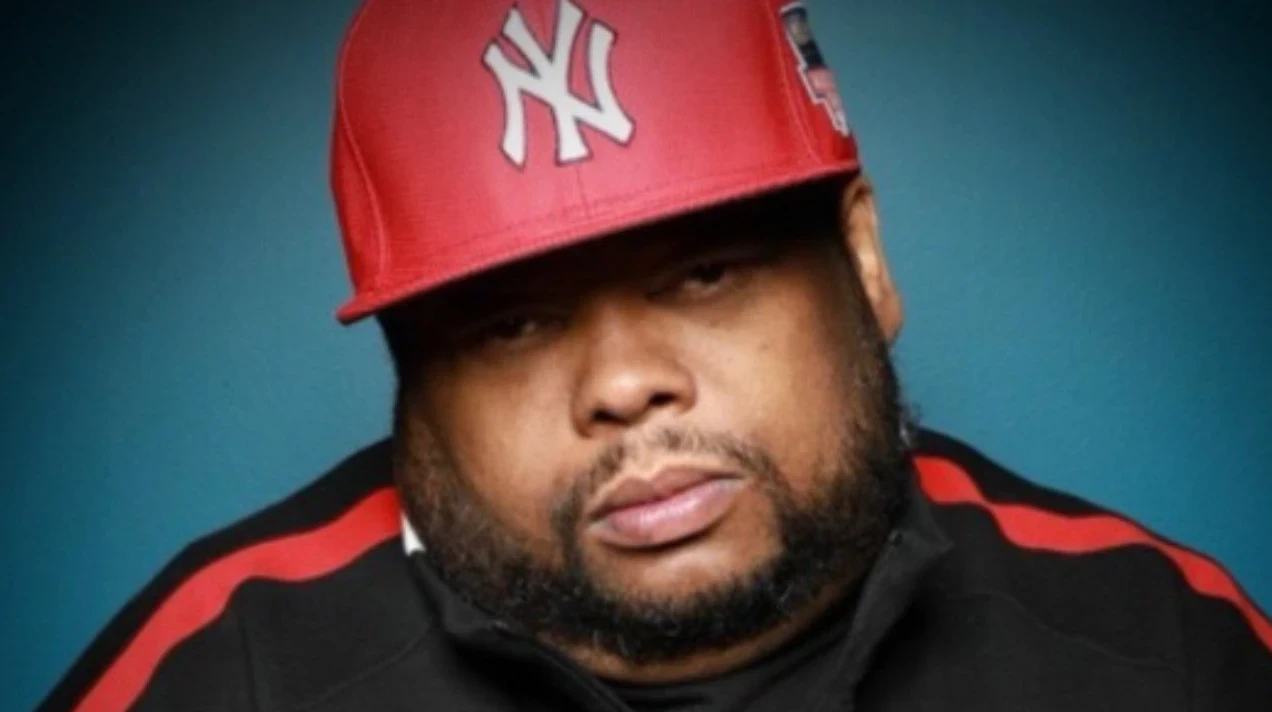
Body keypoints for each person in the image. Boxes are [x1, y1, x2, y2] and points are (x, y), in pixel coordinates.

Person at [41, 0, 1272, 710]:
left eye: (706, 273)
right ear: (411, 377)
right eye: (511, 322)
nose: (625, 384)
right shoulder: (220, 671)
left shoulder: (1158, 644)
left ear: (865, 262)